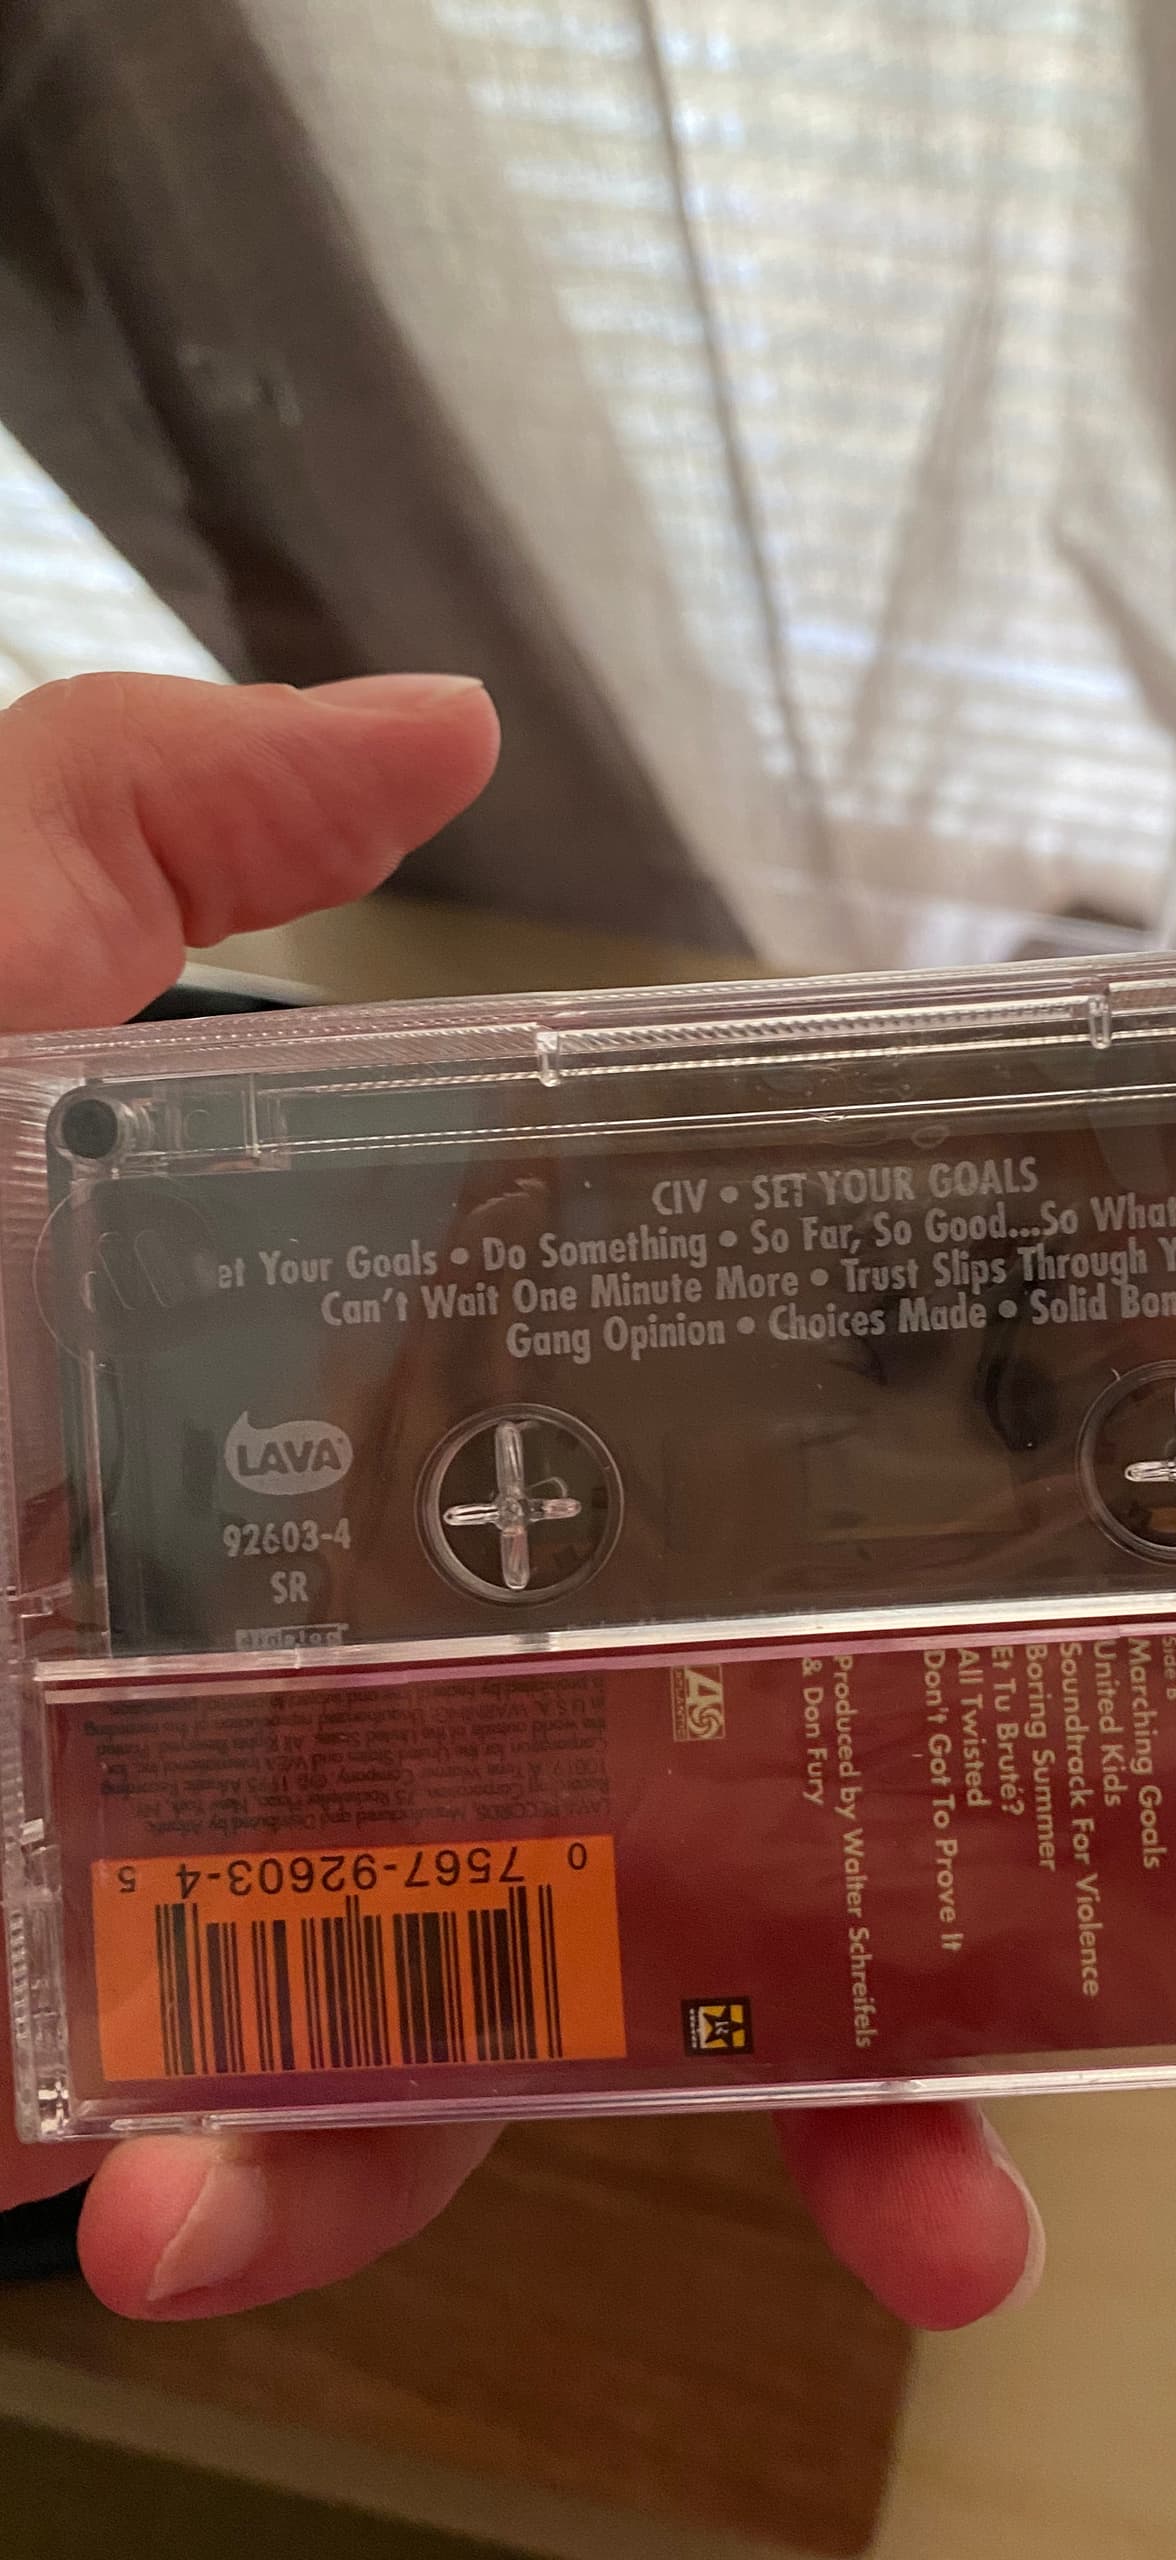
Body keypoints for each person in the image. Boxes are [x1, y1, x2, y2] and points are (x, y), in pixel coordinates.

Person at [0, 668, 1043, 2326]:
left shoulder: (203, 1940)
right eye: (896, 1328)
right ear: (530, 1257)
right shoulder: (130, 1188)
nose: (961, 1516)